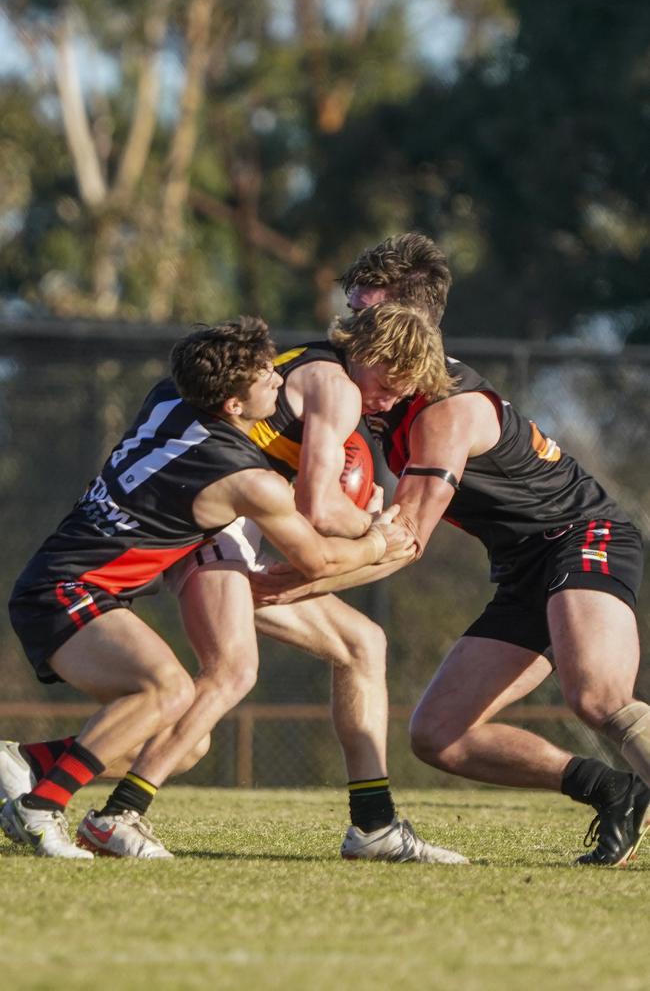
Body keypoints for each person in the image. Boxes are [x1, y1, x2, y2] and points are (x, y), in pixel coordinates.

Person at [30, 299, 467, 864]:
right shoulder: (339, 388)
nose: (393, 398)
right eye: (391, 381)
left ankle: (374, 825)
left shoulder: (301, 370)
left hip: (232, 518)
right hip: (222, 517)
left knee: (362, 644)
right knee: (229, 671)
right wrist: (377, 528)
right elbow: (317, 508)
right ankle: (115, 814)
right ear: (367, 354)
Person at [255, 284, 650, 869]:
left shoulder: (444, 411)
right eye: (355, 307)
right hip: (524, 567)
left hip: (583, 537)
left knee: (598, 696)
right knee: (439, 735)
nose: (383, 401)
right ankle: (613, 790)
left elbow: (406, 539)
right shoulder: (367, 380)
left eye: (373, 304)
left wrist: (299, 581)